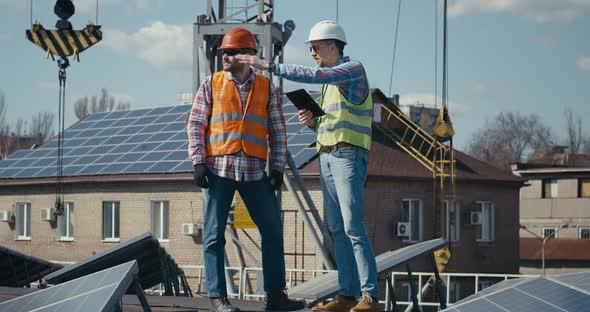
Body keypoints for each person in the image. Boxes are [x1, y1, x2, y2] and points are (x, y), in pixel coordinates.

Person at [236, 20, 379, 312]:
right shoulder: (330, 84)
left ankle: (371, 296)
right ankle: (348, 294)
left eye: (314, 47)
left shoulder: (352, 70)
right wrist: (315, 123)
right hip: (328, 156)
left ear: (332, 45)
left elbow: (314, 75)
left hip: (348, 157)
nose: (312, 52)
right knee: (338, 229)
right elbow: (334, 124)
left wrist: (268, 66)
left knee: (353, 226)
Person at [187, 27, 304, 312]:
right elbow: (196, 124)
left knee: (273, 230)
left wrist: (276, 167)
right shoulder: (211, 84)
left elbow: (278, 129)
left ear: (248, 55)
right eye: (223, 52)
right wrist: (198, 161)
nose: (224, 56)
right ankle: (219, 298)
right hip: (218, 170)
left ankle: (275, 296)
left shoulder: (267, 88)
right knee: (214, 235)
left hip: (254, 172)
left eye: (230, 52)